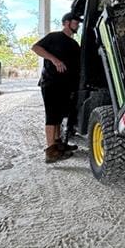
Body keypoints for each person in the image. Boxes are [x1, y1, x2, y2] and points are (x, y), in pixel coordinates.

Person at [32, 12, 82, 162]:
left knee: (59, 116)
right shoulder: (54, 37)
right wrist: (54, 60)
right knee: (52, 116)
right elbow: (35, 47)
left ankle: (58, 144)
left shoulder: (74, 44)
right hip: (51, 82)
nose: (77, 25)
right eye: (75, 22)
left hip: (65, 86)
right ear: (66, 23)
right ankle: (50, 151)